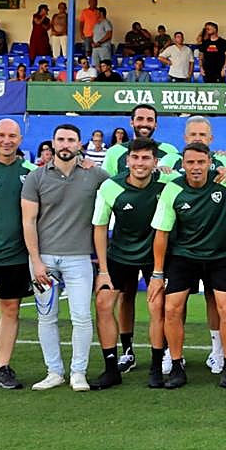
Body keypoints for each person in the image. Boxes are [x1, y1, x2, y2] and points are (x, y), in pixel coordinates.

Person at [147, 142, 226, 389]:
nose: (196, 167)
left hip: (220, 256)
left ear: (210, 163)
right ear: (183, 165)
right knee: (172, 309)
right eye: (190, 162)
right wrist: (158, 274)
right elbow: (161, 233)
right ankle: (177, 366)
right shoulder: (173, 189)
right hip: (183, 256)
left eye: (201, 162)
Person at [21, 124, 109, 392]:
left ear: (80, 144)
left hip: (79, 259)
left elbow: (126, 187)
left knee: (81, 317)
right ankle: (54, 371)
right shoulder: (36, 177)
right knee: (46, 317)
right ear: (53, 143)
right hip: (43, 259)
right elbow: (29, 221)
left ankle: (78, 373)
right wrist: (35, 261)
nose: (65, 144)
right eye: (61, 139)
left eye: (71, 140)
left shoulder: (95, 175)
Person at [92, 138, 168, 389]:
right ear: (127, 161)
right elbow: (100, 228)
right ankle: (112, 367)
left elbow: (197, 172)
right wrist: (102, 270)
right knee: (103, 304)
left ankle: (157, 367)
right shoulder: (110, 187)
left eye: (146, 158)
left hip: (154, 257)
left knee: (157, 308)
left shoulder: (167, 183)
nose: (140, 163)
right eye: (135, 158)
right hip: (119, 256)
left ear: (155, 162)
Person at [0, 119, 36, 390]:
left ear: (20, 139)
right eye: (1, 135)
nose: (7, 140)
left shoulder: (30, 171)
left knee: (10, 309)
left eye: (12, 136)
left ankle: (2, 369)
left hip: (15, 256)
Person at [103, 104, 178, 174]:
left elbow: (178, 180)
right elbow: (107, 183)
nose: (144, 124)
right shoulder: (114, 152)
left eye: (150, 120)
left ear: (155, 125)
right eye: (140, 119)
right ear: (132, 123)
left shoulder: (170, 151)